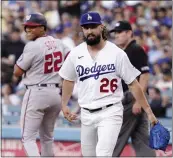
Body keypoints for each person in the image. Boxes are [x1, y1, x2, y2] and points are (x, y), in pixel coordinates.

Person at [59, 11, 158, 157]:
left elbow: (133, 84)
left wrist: (148, 111)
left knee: (104, 154)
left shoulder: (117, 53)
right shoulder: (76, 53)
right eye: (86, 27)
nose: (90, 31)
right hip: (87, 113)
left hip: (110, 111)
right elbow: (68, 79)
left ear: (101, 27)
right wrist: (64, 104)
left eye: (93, 26)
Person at [13, 13, 70, 157]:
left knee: (27, 138)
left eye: (32, 27)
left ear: (43, 28)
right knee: (47, 138)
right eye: (26, 27)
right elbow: (71, 60)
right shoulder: (60, 43)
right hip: (55, 94)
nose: (28, 30)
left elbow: (17, 72)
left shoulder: (32, 46)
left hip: (36, 92)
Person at [109, 20, 156, 157]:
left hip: (132, 98)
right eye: (115, 33)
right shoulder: (126, 51)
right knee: (141, 138)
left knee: (115, 136)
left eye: (119, 32)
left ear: (129, 33)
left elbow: (145, 76)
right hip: (133, 98)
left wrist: (137, 101)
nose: (117, 35)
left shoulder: (135, 50)